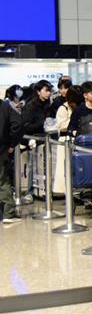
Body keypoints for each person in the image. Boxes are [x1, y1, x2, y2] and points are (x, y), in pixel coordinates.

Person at [0, 84, 24, 223]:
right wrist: (11, 143)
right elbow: (18, 125)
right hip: (1, 149)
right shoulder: (5, 106)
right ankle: (8, 213)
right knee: (2, 181)